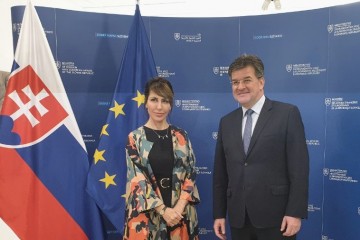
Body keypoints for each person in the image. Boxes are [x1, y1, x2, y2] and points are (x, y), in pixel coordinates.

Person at [213, 54, 309, 240]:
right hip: (239, 218)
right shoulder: (226, 122)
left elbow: (299, 168)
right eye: (235, 82)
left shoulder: (287, 114)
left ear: (261, 82)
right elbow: (220, 174)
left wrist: (295, 212)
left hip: (278, 218)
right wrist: (219, 214)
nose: (240, 87)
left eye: (246, 80)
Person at [124, 77, 200, 239]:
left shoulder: (181, 136)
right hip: (146, 217)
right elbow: (137, 179)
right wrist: (163, 211)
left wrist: (179, 208)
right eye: (154, 100)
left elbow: (191, 173)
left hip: (180, 216)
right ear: (146, 103)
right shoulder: (135, 138)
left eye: (165, 101)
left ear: (171, 104)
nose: (159, 107)